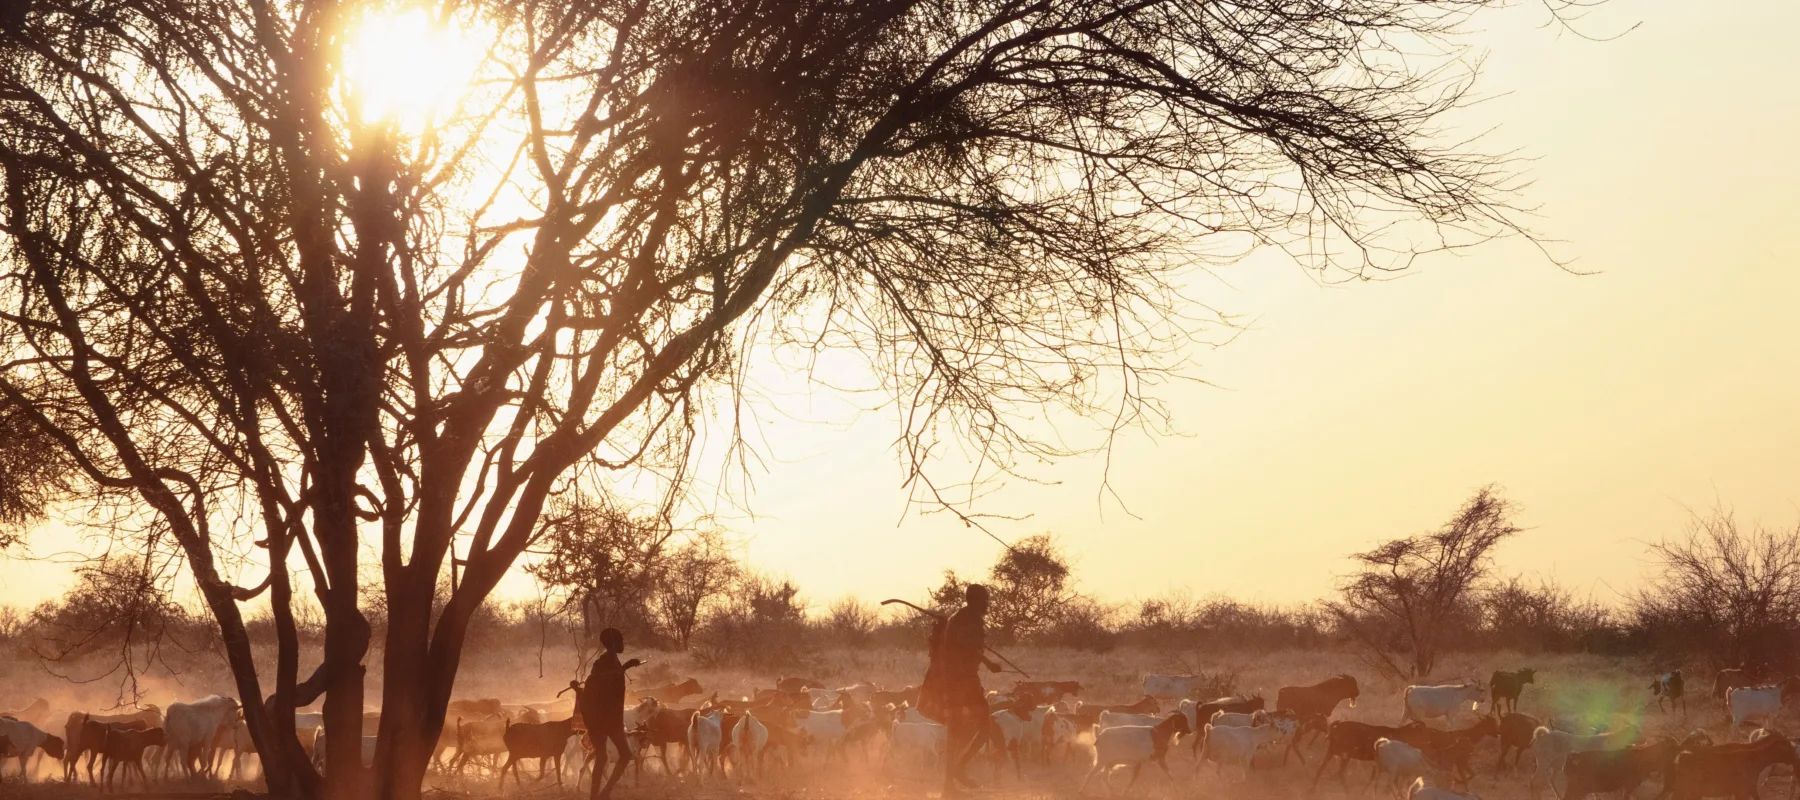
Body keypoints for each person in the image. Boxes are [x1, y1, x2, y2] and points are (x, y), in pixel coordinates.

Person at [918, 584, 1001, 794]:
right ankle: (952, 779)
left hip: (966, 681)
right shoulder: (966, 619)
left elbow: (967, 644)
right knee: (963, 731)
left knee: (976, 729)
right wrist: (989, 663)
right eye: (985, 600)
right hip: (958, 683)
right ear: (975, 600)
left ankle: (955, 773)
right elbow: (966, 644)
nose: (987, 604)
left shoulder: (964, 618)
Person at [578, 627, 643, 800]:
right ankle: (600, 795)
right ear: (613, 644)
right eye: (620, 642)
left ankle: (600, 795)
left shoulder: (613, 661)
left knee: (604, 757)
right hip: (602, 719)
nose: (622, 645)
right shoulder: (602, 662)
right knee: (608, 756)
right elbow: (596, 682)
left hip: (610, 718)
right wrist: (625, 667)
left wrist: (624, 667)